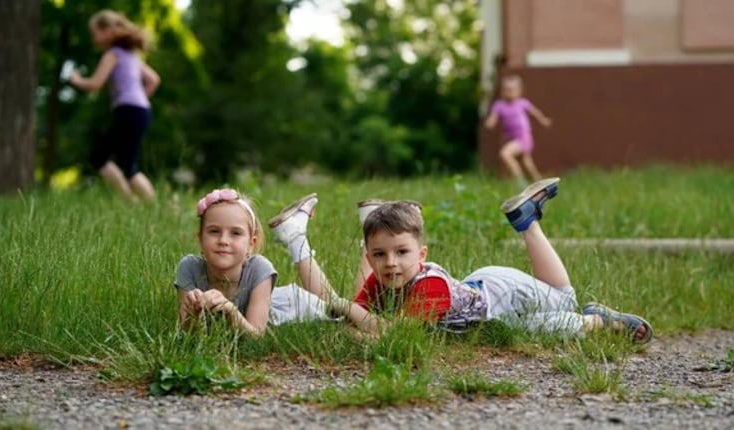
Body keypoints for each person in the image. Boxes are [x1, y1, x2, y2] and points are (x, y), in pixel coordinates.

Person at [268, 178, 654, 343]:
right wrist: (350, 316)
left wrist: (348, 317)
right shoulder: (384, 280)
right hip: (495, 317)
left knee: (563, 299)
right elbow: (361, 313)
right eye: (380, 256)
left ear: (422, 255)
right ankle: (602, 321)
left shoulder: (429, 286)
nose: (391, 264)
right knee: (548, 329)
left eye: (402, 253)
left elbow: (388, 333)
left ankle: (527, 223)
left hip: (500, 291)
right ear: (370, 257)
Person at [174, 189, 337, 335]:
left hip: (295, 306)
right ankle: (293, 233)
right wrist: (192, 313)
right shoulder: (189, 268)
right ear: (200, 239)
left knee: (338, 310)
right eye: (214, 231)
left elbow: (256, 335)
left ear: (251, 244)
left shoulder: (259, 268)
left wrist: (230, 310)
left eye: (236, 233)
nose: (223, 240)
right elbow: (186, 333)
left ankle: (295, 237)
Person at [69, 9, 160, 203]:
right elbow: (153, 80)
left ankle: (131, 202)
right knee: (128, 164)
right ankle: (150, 205)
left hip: (128, 110)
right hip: (141, 111)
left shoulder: (114, 54)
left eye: (95, 33)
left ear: (108, 30)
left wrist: (76, 80)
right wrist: (140, 99)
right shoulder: (133, 56)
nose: (94, 39)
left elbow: (95, 84)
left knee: (99, 156)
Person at [485, 75, 552, 189]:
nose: (508, 92)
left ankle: (521, 182)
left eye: (511, 90)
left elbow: (534, 113)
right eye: (505, 90)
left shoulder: (522, 103)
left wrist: (543, 120)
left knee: (505, 154)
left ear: (519, 91)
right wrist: (490, 122)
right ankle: (542, 185)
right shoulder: (499, 105)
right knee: (527, 162)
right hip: (511, 138)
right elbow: (493, 117)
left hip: (523, 136)